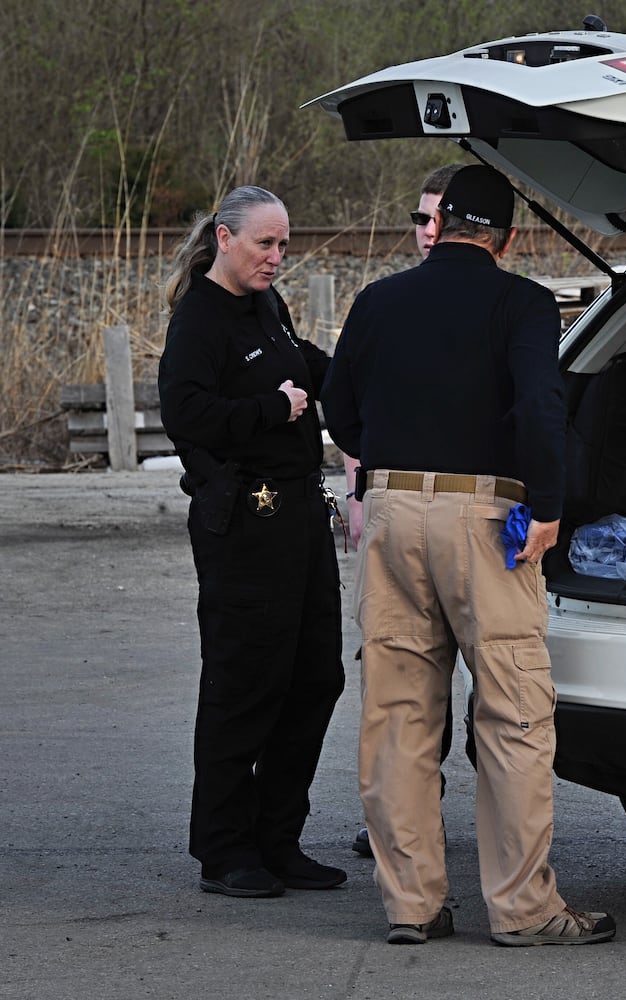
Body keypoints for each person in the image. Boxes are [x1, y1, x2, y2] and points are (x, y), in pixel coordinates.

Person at [321, 165, 615, 946]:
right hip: (489, 516)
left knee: (398, 714)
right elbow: (539, 405)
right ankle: (524, 910)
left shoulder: (379, 300)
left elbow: (339, 410)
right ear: (506, 239)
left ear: (441, 223)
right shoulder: (521, 302)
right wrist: (547, 507)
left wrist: (390, 473)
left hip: (388, 509)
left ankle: (410, 906)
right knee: (513, 712)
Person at [158, 185, 347, 899]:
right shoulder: (200, 319)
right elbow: (185, 411)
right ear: (225, 238)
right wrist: (271, 408)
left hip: (300, 514)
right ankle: (225, 848)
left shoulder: (267, 303)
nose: (277, 257)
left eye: (284, 246)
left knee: (314, 678)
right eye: (266, 244)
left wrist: (357, 378)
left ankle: (278, 838)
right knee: (246, 684)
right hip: (245, 522)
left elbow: (301, 361)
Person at [344, 162, 466, 860]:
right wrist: (370, 470)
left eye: (437, 219)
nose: (426, 233)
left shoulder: (495, 304)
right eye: (419, 220)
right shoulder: (384, 303)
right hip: (391, 512)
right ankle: (405, 817)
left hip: (474, 519)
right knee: (398, 679)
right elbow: (346, 401)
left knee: (480, 682)